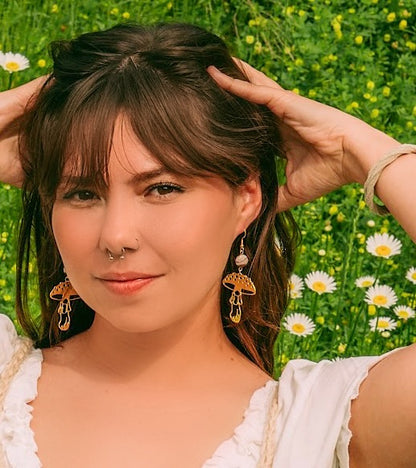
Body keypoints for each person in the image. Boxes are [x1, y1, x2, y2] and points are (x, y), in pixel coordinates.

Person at [0, 22, 415, 468]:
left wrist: (362, 150)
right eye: (82, 194)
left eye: (161, 189)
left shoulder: (318, 426)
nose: (115, 236)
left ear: (246, 198)